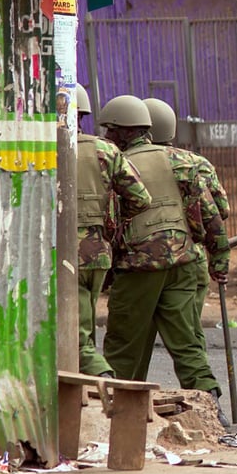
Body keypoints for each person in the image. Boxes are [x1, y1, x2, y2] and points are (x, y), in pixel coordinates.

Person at [98, 94, 232, 427]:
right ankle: (213, 414)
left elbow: (110, 220)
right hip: (185, 262)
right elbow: (213, 212)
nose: (107, 137)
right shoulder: (183, 161)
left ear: (123, 132)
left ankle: (117, 420)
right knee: (187, 343)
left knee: (124, 346)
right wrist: (219, 257)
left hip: (138, 265)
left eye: (110, 131)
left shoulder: (117, 163)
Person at [74, 84, 151, 378]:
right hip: (98, 254)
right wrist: (112, 227)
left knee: (74, 334)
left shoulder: (42, 148)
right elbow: (141, 198)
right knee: (84, 325)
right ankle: (86, 393)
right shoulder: (106, 150)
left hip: (62, 256)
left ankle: (104, 380)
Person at [142, 97, 229, 351]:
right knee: (189, 334)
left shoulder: (129, 160)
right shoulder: (196, 162)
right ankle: (203, 388)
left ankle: (129, 388)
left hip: (144, 258)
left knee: (136, 337)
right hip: (193, 257)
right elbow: (222, 209)